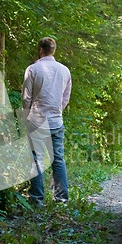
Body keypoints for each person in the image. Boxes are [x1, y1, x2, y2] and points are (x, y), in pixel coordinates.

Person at [22, 37, 72, 206]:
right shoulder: (65, 70)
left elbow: (26, 98)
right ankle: (61, 199)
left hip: (36, 120)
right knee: (58, 159)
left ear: (40, 50)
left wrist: (25, 117)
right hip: (56, 122)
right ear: (53, 50)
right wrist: (57, 111)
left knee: (36, 160)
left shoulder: (33, 69)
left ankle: (36, 199)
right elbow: (65, 97)